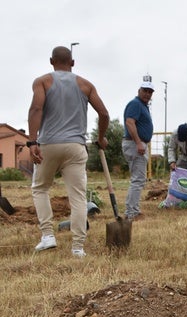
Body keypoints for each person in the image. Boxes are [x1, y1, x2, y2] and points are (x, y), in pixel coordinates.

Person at [27, 46, 109, 257]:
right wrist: (100, 138)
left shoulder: (43, 81)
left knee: (40, 188)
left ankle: (47, 236)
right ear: (72, 63)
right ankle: (78, 248)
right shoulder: (86, 85)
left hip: (48, 145)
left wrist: (32, 141)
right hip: (76, 147)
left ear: (51, 61)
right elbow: (104, 113)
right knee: (78, 198)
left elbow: (36, 109)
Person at [122, 78, 154, 220]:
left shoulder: (142, 105)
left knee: (138, 179)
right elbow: (130, 123)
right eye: (145, 91)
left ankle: (132, 210)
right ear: (139, 91)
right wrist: (139, 142)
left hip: (137, 144)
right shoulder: (135, 104)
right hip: (135, 145)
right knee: (138, 180)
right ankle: (131, 213)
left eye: (150, 92)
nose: (147, 94)